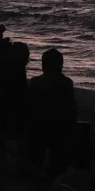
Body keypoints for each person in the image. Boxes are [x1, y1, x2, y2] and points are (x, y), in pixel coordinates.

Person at [27, 48, 78, 177]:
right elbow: (70, 109)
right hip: (57, 128)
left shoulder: (34, 82)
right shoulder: (65, 83)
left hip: (37, 126)